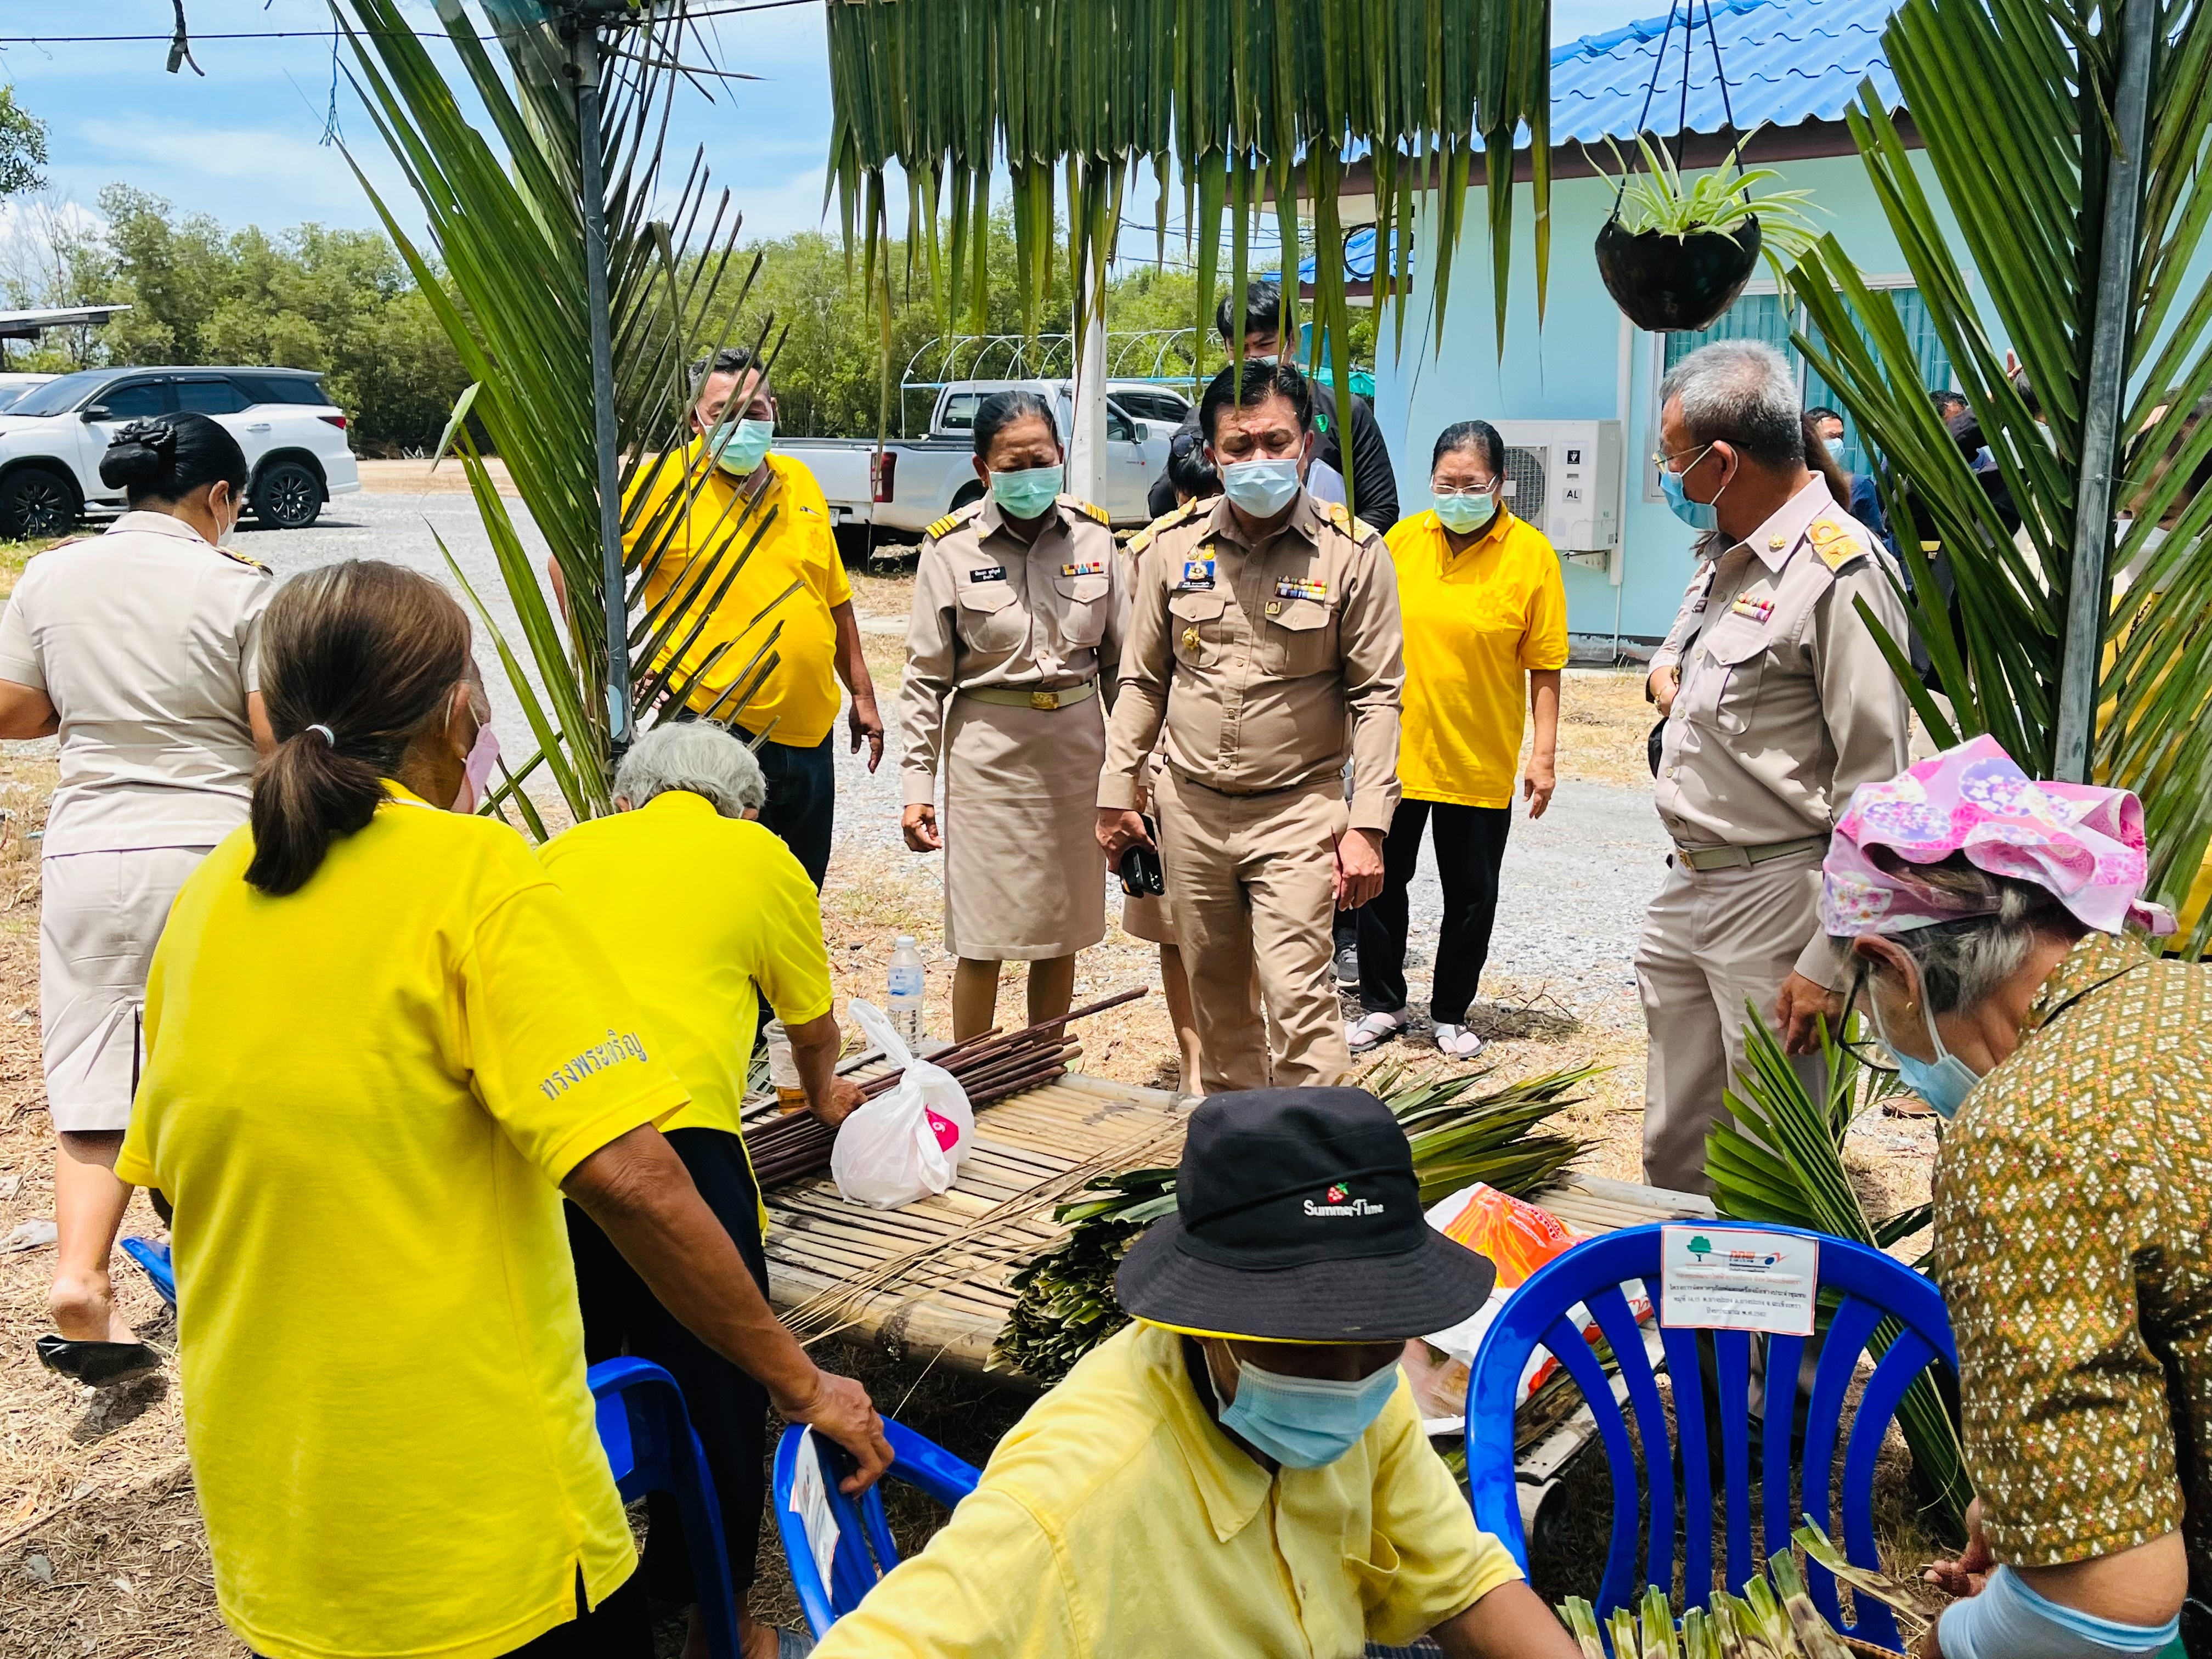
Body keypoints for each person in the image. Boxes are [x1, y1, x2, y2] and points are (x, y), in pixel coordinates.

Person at [113, 561, 888, 1659]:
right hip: (481, 1540)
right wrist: (805, 1382)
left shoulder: (210, 897)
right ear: (457, 708)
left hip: (282, 1530)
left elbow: (165, 1180)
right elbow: (630, 1178)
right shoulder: (475, 877)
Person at [809, 1087, 1582, 1659]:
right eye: (1304, 1341)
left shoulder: (1368, 1391)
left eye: (1378, 1337)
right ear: (1208, 1322)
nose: (1349, 1376)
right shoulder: (1077, 1499)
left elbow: (1461, 1577)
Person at [1816, 737, 2198, 1658]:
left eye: (1869, 1009)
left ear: (1893, 968)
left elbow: (2106, 1611)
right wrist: (2044, 1503)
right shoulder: (2190, 1002)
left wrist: (1959, 1635)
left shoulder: (2023, 1128)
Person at [539, 721, 867, 1659]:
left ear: (628, 796)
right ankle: (722, 1626)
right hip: (680, 1146)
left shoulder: (565, 848)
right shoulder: (758, 853)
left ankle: (582, 1605)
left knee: (569, 1381)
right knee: (718, 1387)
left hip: (557, 1142)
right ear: (746, 804)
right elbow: (810, 1025)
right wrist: (823, 1094)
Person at [0, 414, 276, 1385]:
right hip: (209, 849)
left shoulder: (52, 576)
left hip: (89, 848)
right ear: (216, 498)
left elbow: (15, 709)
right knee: (213, 1068)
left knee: (93, 1070)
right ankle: (222, 1270)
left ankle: (81, 1277)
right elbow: (271, 740)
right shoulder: (237, 587)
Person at [1635, 340, 1909, 1193]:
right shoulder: (1737, 552)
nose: (1670, 479)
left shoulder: (1841, 571)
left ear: (1723, 463)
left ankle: (1764, 1335)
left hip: (1779, 898)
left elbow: (1879, 788)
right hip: (1693, 880)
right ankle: (1681, 1324)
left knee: (1769, 1163)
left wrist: (1830, 960)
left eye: (1674, 461)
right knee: (1674, 1148)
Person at [1099, 358, 1402, 1093]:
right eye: (1239, 447)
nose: (1258, 460)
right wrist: (1116, 791)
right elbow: (1142, 679)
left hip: (1298, 813)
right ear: (1211, 454)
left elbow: (1378, 696)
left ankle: (1318, 1173)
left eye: (1276, 442)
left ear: (1307, 447)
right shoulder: (1171, 548)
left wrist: (1369, 825)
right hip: (1192, 813)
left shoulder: (1354, 553)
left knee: (1301, 1004)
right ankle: (1247, 1173)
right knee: (1220, 1006)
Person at [596, 345, 883, 888]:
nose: (740, 425)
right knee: (718, 895)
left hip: (808, 735)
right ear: (695, 421)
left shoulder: (798, 481)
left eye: (753, 411)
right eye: (721, 412)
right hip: (712, 735)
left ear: (773, 410)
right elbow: (572, 565)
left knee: (797, 891)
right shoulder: (660, 486)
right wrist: (618, 664)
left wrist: (863, 696)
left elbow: (833, 597)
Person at [899, 390, 1121, 1040]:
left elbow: (1124, 669)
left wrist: (1137, 773)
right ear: (982, 470)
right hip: (989, 760)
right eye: (1013, 464)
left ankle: (1043, 1064)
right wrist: (917, 789)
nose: (1031, 475)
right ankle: (973, 1071)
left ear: (1060, 456)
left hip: (1078, 758)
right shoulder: (950, 551)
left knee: (1062, 927)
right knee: (982, 931)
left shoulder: (1097, 538)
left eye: (1042, 458)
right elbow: (924, 682)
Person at [1353, 420, 1565, 1060]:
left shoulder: (1531, 554)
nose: (1459, 496)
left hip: (1478, 757)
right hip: (1397, 752)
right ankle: (1382, 1004)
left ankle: (1450, 1011)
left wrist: (1544, 755)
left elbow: (1546, 664)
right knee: (1382, 884)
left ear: (1501, 483)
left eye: (1472, 485)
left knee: (1470, 893)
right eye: (1447, 484)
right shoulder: (1401, 542)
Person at [1119, 431, 1222, 1087]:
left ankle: (1245, 1060)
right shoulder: (1152, 555)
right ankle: (1193, 1063)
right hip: (1167, 773)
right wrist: (1127, 781)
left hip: (1255, 780)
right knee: (1174, 929)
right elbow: (1134, 678)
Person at [1146, 278, 1399, 533]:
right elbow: (1161, 504)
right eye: (1240, 348)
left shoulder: (1343, 412)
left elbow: (1382, 508)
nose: (1252, 357)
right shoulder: (1210, 418)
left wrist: (1330, 553)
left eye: (1264, 344)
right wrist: (1192, 442)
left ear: (1292, 340)